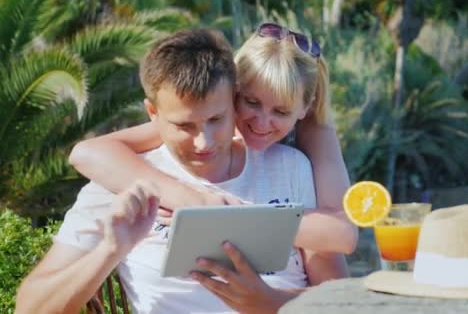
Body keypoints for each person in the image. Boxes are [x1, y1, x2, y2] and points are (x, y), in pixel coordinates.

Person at [16, 28, 347, 313]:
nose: (203, 141)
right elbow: (29, 308)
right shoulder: (123, 181)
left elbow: (340, 299)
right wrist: (109, 250)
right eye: (184, 125)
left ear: (232, 100)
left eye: (216, 120)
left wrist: (271, 304)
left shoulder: (290, 167)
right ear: (153, 113)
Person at [68, 22, 357, 254]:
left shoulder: (314, 130)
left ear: (303, 109)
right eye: (251, 102)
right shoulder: (206, 123)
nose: (262, 121)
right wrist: (192, 200)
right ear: (231, 94)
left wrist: (233, 216)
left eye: (281, 111)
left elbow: (343, 234)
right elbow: (87, 153)